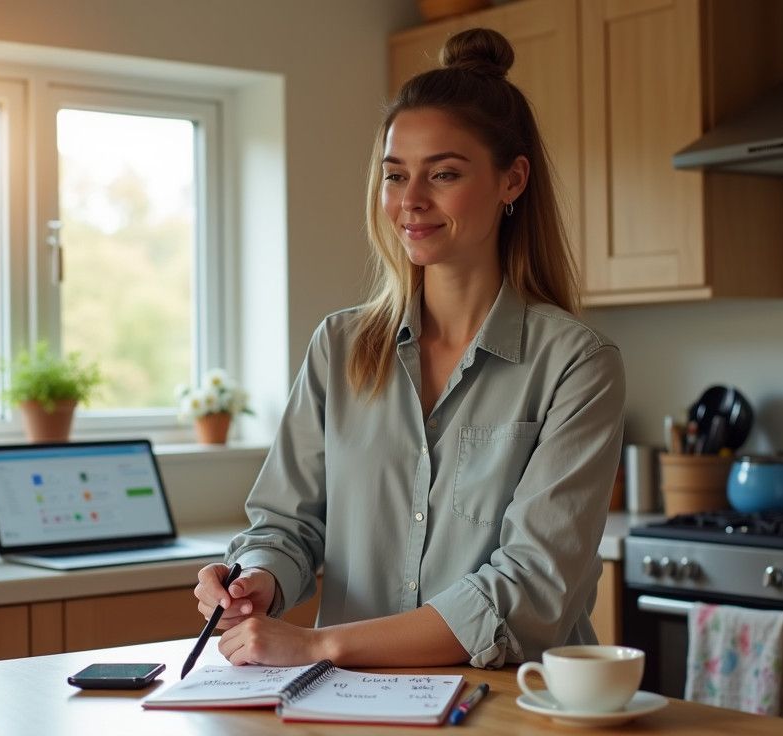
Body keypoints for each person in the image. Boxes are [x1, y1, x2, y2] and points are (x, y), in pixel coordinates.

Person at [193, 27, 625, 670]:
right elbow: (287, 523)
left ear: (513, 180)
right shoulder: (338, 347)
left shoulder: (576, 364)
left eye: (444, 173)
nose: (410, 201)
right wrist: (260, 579)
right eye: (396, 175)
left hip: (507, 706)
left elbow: (531, 588)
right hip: (348, 705)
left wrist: (320, 644)